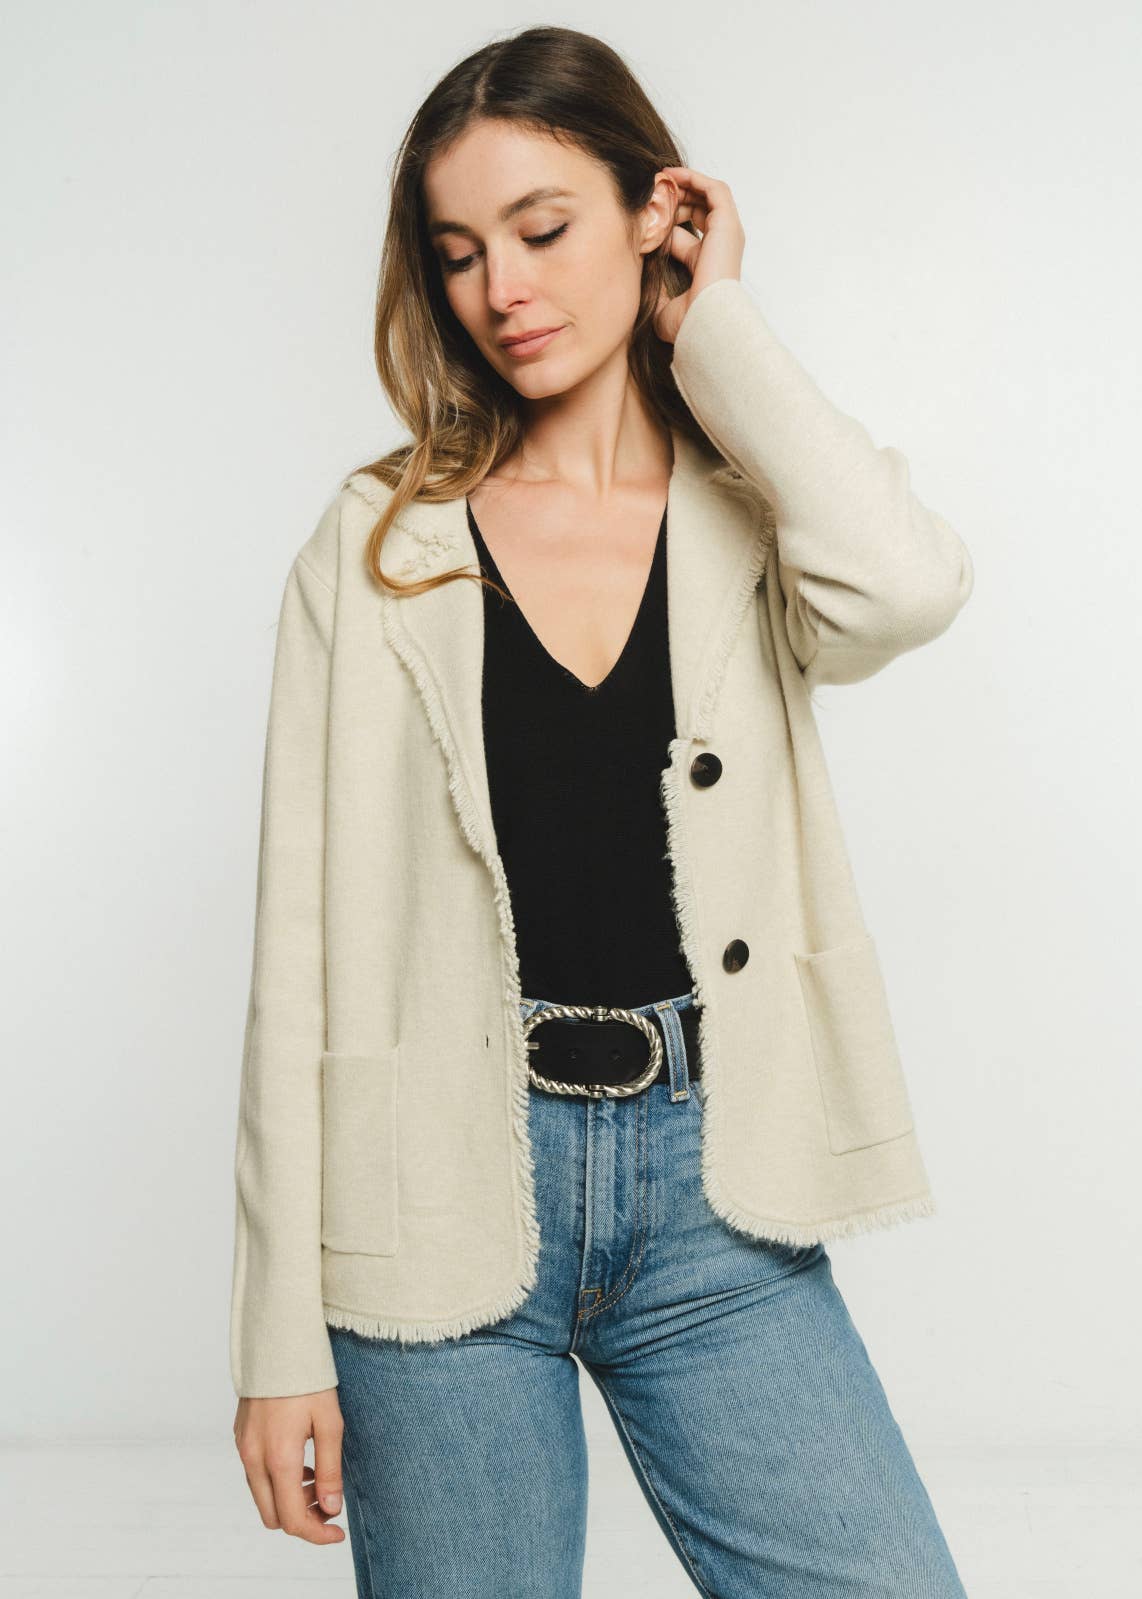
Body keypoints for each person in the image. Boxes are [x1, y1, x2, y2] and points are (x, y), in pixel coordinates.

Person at [230, 24, 974, 1598]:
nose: (500, 287)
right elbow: (295, 957)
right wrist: (275, 1337)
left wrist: (724, 330)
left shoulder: (753, 516)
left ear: (656, 214)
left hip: (715, 1208)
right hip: (433, 1198)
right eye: (459, 252)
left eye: (543, 228)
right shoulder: (375, 545)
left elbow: (906, 588)